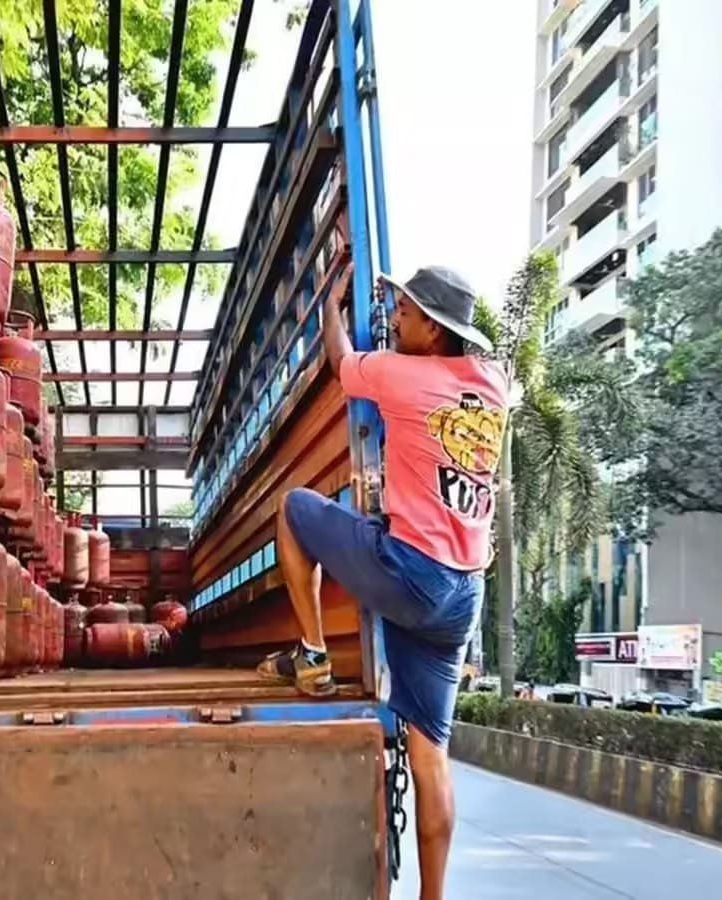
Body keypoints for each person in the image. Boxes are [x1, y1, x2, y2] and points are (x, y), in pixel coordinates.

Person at [255, 266, 508, 900]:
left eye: (404, 312)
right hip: (463, 594)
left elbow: (341, 361)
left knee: (294, 508)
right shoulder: (495, 384)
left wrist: (332, 305)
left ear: (435, 330)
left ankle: (313, 655)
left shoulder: (403, 376)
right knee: (430, 757)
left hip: (411, 573)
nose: (394, 318)